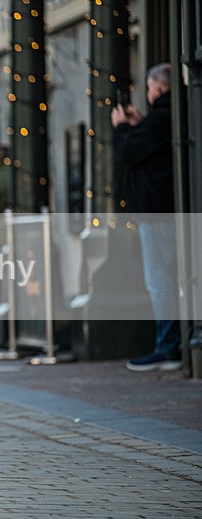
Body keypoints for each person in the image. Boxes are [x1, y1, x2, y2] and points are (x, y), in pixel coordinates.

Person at [111, 63, 180, 372]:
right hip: (165, 212)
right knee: (166, 277)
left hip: (157, 214)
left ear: (157, 89)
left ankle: (168, 346)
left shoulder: (163, 117)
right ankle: (170, 344)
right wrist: (139, 124)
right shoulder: (167, 118)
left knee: (160, 280)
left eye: (150, 88)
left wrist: (122, 127)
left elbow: (128, 150)